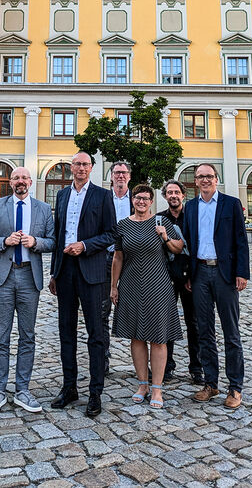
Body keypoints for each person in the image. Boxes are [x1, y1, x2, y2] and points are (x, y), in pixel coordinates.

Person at [0, 167, 55, 414]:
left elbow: (53, 242)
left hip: (29, 276)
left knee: (28, 336)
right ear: (10, 182)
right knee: (1, 336)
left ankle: (22, 389)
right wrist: (4, 241)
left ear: (30, 182)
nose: (20, 181)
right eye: (16, 178)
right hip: (3, 275)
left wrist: (35, 242)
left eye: (24, 178)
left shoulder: (43, 209)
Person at [49, 152, 116, 418]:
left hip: (92, 271)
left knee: (96, 334)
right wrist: (54, 273)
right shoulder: (63, 195)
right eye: (76, 164)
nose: (80, 168)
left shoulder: (102, 195)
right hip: (65, 271)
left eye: (85, 164)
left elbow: (111, 234)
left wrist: (85, 245)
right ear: (71, 167)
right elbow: (58, 235)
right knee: (66, 331)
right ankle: (69, 387)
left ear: (91, 168)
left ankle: (95, 392)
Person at [182, 163, 250, 409]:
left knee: (231, 332)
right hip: (200, 273)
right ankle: (210, 383)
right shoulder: (191, 207)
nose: (205, 180)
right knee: (204, 331)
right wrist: (188, 273)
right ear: (196, 181)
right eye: (200, 177)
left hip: (225, 274)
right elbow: (188, 243)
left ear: (216, 179)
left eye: (209, 176)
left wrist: (242, 273)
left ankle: (235, 387)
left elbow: (241, 240)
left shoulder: (230, 204)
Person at [110, 184, 183, 409]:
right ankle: (142, 384)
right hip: (131, 284)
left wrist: (165, 238)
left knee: (159, 338)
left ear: (151, 201)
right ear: (132, 200)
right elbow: (118, 258)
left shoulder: (162, 223)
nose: (141, 201)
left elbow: (178, 248)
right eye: (137, 198)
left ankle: (157, 388)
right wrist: (114, 286)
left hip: (158, 285)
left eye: (146, 198)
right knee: (136, 337)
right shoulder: (123, 225)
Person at [161, 179, 204, 385]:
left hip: (190, 278)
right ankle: (167, 366)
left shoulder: (192, 218)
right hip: (166, 279)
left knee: (193, 324)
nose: (173, 196)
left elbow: (197, 249)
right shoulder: (159, 220)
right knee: (167, 324)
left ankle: (196, 368)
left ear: (183, 195)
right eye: (169, 192)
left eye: (176, 192)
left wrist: (192, 276)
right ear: (165, 196)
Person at [101, 161, 133, 376]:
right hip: (106, 258)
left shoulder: (139, 199)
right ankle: (103, 359)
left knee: (138, 309)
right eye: (116, 173)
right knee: (101, 311)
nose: (120, 176)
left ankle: (144, 363)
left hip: (133, 260)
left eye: (124, 172)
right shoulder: (102, 199)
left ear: (129, 176)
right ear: (111, 176)